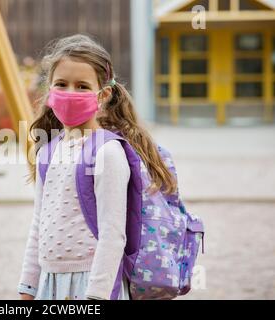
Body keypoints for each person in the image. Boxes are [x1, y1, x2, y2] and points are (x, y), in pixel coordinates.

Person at [17, 34, 177, 300]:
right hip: (50, 284)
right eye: (61, 84)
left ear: (103, 95)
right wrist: (27, 289)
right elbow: (38, 224)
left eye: (82, 86)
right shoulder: (48, 151)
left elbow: (113, 235)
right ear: (50, 92)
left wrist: (96, 296)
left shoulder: (107, 153)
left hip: (93, 285)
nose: (70, 93)